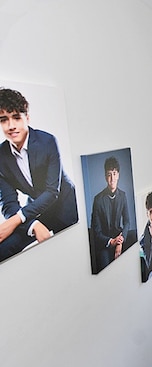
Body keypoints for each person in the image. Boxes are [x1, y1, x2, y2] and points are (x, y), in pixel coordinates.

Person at [0, 87, 78, 262]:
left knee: (68, 258)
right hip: (34, 211)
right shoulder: (1, 156)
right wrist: (32, 224)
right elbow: (8, 204)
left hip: (64, 205)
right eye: (4, 120)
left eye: (16, 118)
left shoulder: (47, 141)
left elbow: (52, 191)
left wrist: (16, 220)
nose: (11, 126)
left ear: (27, 118)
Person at [90, 156, 131, 273]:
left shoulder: (123, 196)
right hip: (104, 243)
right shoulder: (98, 200)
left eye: (114, 173)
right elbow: (96, 231)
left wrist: (120, 240)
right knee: (105, 269)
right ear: (105, 177)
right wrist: (111, 242)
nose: (112, 178)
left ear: (118, 175)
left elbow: (127, 222)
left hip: (119, 236)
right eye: (109, 174)